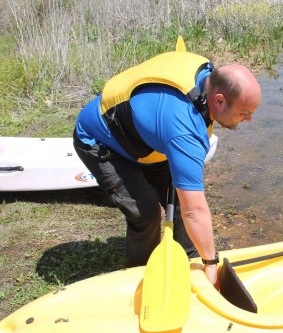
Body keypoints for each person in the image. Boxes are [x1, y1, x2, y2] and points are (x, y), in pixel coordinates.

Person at [73, 37, 261, 285]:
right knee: (146, 212)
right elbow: (197, 211)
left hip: (148, 135)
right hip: (101, 140)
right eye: (244, 113)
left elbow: (189, 205)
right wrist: (213, 263)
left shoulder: (207, 73)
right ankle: (140, 276)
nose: (248, 120)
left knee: (182, 202)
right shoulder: (185, 131)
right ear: (219, 100)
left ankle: (190, 259)